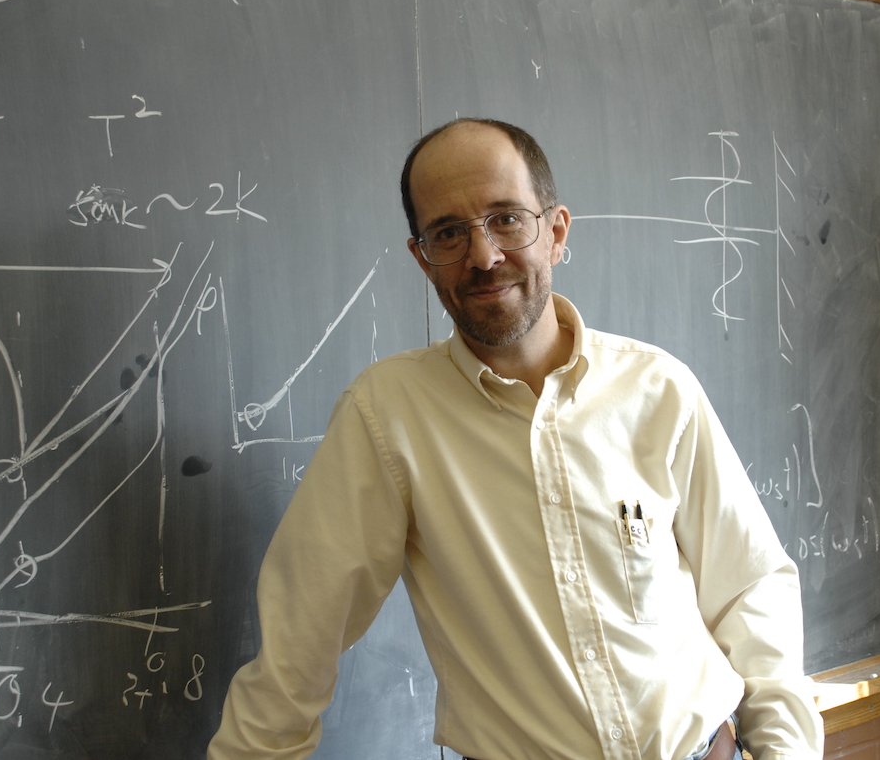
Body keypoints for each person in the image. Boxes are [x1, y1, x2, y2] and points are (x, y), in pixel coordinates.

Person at [208, 118, 823, 760]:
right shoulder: (386, 419)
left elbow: (750, 585)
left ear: (555, 232)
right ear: (423, 258)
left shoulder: (658, 389)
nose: (483, 256)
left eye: (506, 219)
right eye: (449, 232)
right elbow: (296, 646)